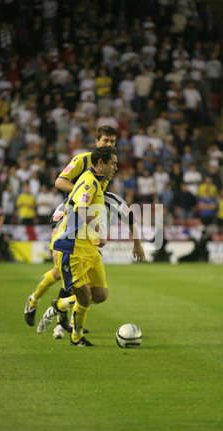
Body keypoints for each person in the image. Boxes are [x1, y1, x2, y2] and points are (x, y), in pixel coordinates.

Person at [24, 126, 145, 332]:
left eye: (112, 142)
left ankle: (66, 319)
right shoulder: (83, 161)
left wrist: (136, 241)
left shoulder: (108, 167)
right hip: (67, 218)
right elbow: (60, 182)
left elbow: (126, 211)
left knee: (88, 285)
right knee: (60, 272)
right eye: (105, 141)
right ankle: (34, 301)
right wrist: (82, 193)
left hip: (88, 222)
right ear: (96, 142)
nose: (109, 145)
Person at [49, 146, 118, 347]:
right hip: (74, 248)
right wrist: (99, 231)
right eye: (112, 163)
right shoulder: (88, 182)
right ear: (100, 164)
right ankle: (77, 337)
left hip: (90, 248)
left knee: (100, 295)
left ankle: (61, 304)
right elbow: (80, 209)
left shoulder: (99, 182)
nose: (115, 168)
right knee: (85, 296)